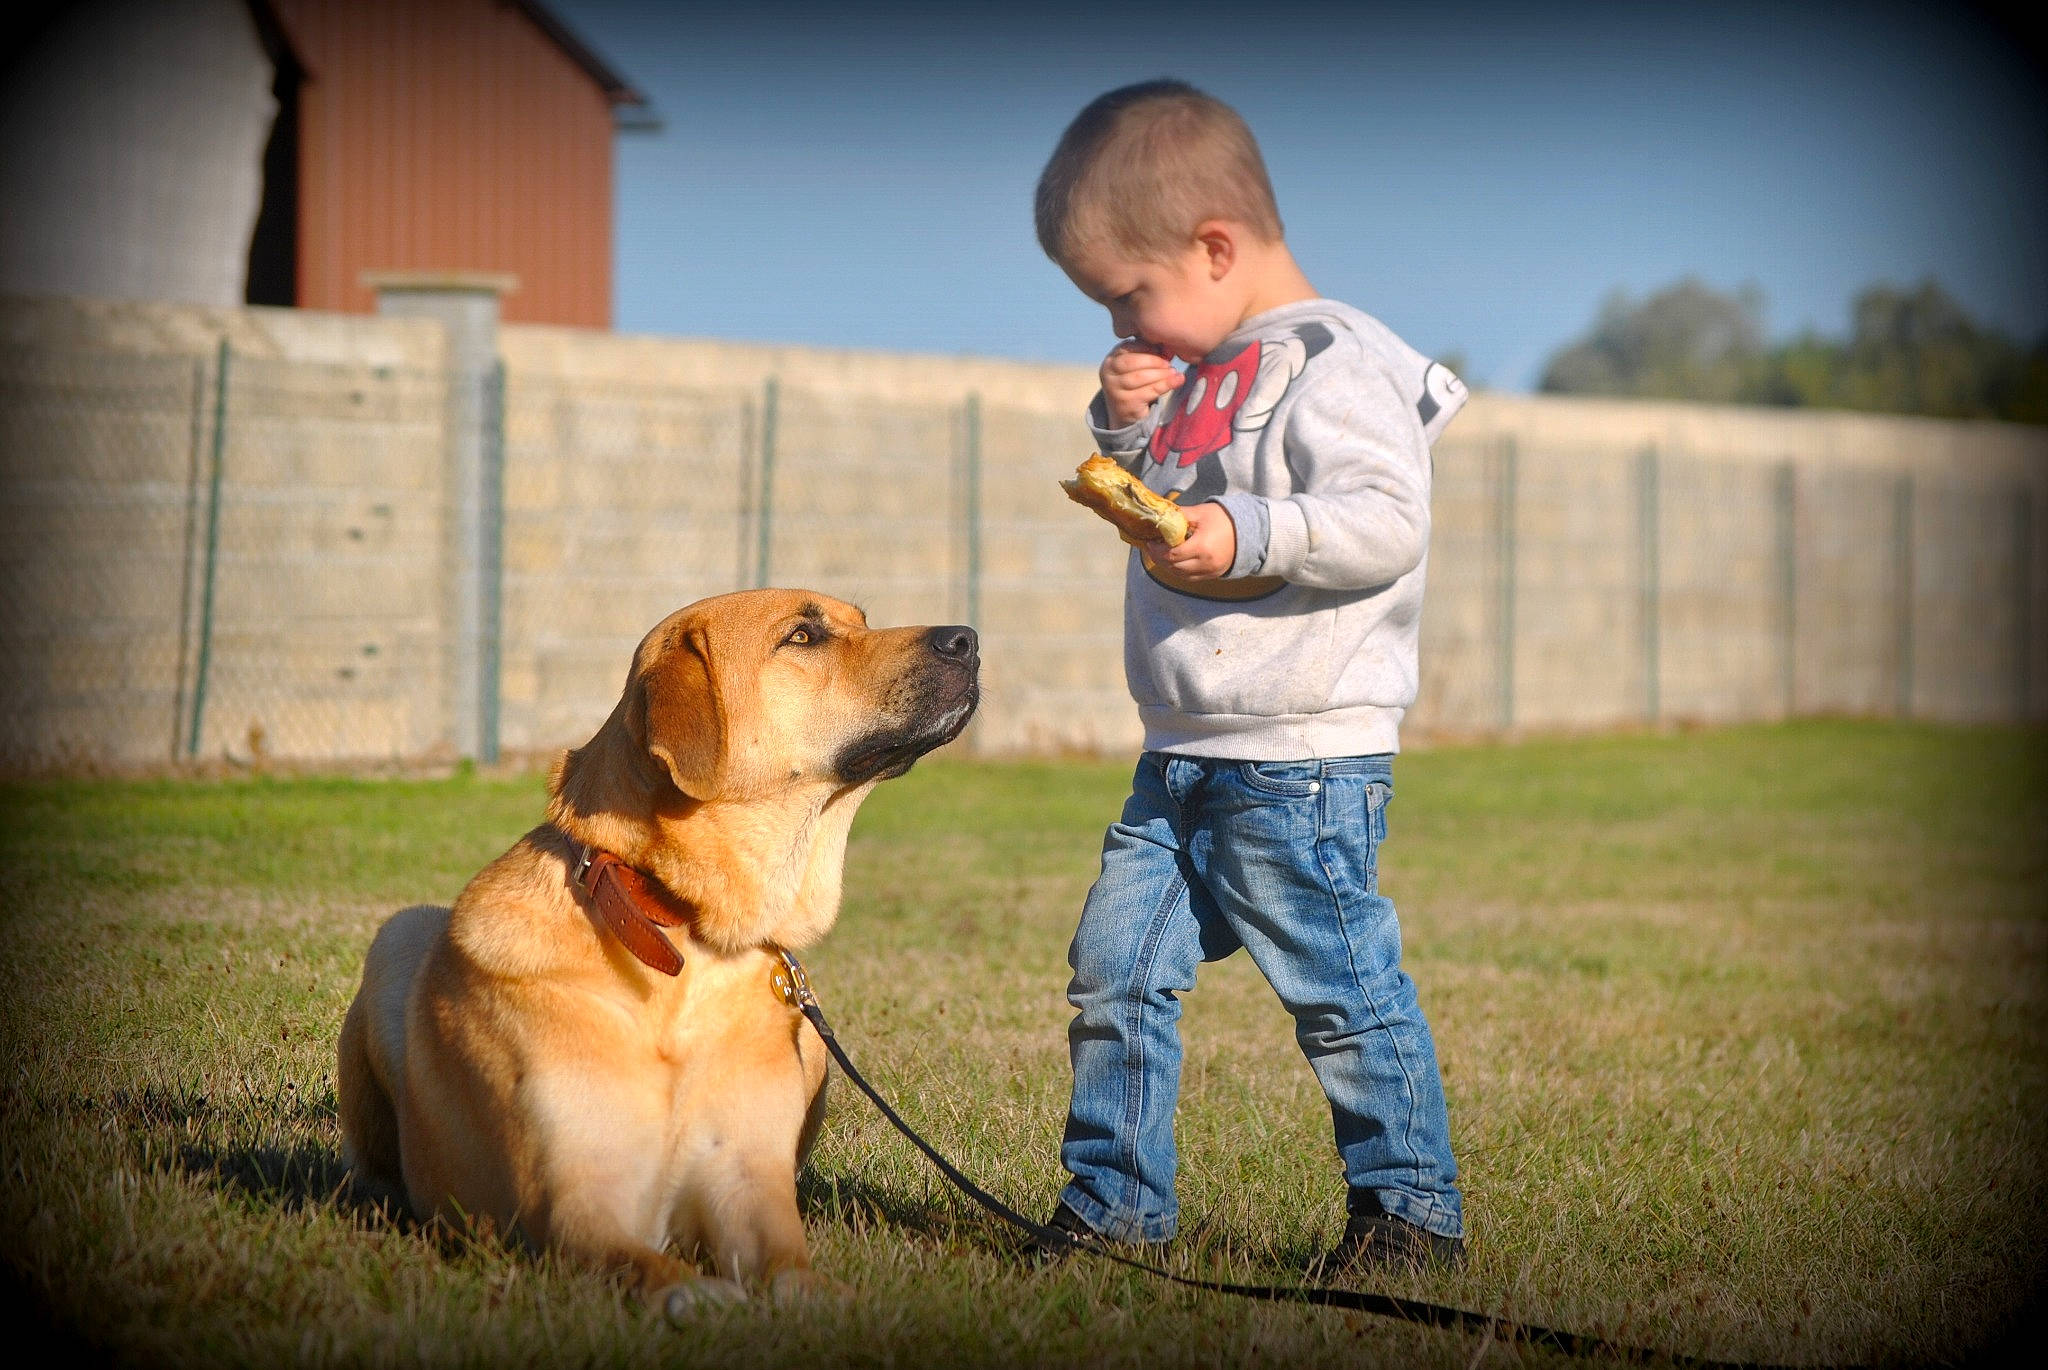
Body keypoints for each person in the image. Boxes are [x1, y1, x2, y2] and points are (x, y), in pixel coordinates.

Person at [1033, 79, 1470, 1271]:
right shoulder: (1207, 363)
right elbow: (1166, 510)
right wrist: (1126, 431)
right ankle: (1116, 1202)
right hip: (1180, 752)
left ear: (1213, 246)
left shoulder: (1336, 360)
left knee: (1339, 991)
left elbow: (1385, 519)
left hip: (1302, 759)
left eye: (1131, 293)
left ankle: (1410, 1212)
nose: (1126, 321)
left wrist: (1249, 532)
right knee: (1114, 975)